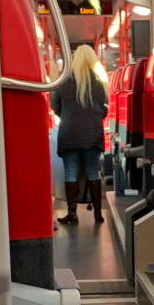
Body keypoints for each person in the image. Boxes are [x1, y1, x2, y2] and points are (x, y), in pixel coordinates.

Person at [50, 43, 109, 224]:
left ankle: (72, 214)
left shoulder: (63, 83)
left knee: (70, 173)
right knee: (93, 172)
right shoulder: (99, 85)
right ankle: (97, 214)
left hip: (69, 134)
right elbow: (103, 109)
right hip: (92, 135)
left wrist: (68, 116)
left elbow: (55, 105)